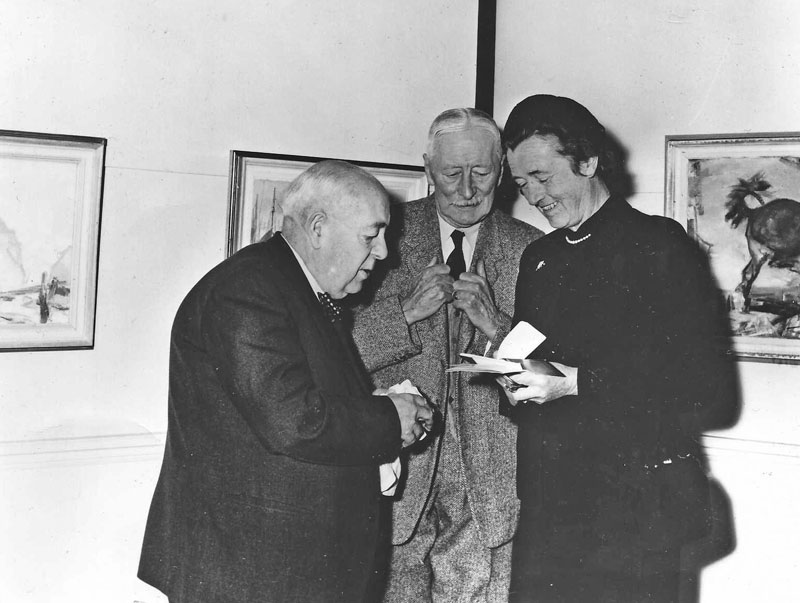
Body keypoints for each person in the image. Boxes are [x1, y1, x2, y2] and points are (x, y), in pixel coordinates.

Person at [137, 160, 435, 603]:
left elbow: (304, 400)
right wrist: (390, 417)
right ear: (318, 228)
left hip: (282, 566)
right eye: (371, 236)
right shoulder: (246, 289)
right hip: (250, 574)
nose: (383, 253)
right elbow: (295, 421)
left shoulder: (291, 287)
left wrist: (380, 407)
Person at [499, 94, 739, 602]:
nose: (533, 196)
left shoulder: (659, 246)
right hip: (550, 511)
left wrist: (577, 383)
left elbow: (709, 390)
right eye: (521, 184)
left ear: (588, 161)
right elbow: (533, 371)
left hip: (634, 514)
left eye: (542, 177)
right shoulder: (539, 259)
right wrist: (513, 381)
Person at [349, 108, 542, 602]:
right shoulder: (379, 237)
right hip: (393, 482)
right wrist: (405, 313)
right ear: (427, 169)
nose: (467, 189)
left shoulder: (534, 250)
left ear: (502, 170)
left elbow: (555, 374)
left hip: (489, 494)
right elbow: (332, 355)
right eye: (452, 173)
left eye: (481, 172)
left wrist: (498, 326)